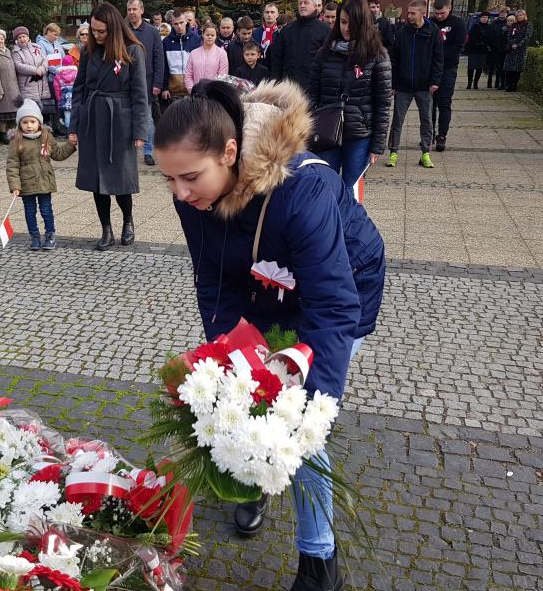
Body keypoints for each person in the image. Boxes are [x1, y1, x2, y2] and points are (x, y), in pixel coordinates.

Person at [154, 77, 385, 591]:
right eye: (169, 180)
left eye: (190, 177)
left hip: (341, 288)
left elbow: (332, 305)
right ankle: (250, 477)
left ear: (231, 152)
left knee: (295, 422)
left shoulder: (305, 189)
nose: (180, 193)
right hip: (262, 283)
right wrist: (226, 359)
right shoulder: (191, 192)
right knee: (241, 389)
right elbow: (214, 280)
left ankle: (318, 561)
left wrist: (305, 416)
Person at [68, 2, 148, 250]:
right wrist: (74, 127)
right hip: (92, 120)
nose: (96, 35)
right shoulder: (88, 52)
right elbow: (79, 90)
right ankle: (106, 229)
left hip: (120, 121)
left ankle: (128, 222)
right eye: (93, 31)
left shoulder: (133, 51)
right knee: (96, 179)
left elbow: (140, 95)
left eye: (101, 31)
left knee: (120, 179)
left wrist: (139, 132)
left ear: (113, 28)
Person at [307, 0, 391, 194]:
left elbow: (383, 103)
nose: (347, 28)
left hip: (359, 136)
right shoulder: (325, 53)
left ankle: (351, 225)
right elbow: (311, 96)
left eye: (352, 23)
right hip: (327, 133)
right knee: (326, 190)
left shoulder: (377, 55)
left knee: (351, 192)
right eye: (343, 22)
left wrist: (377, 145)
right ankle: (330, 226)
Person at [6, 98, 76, 250]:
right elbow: (12, 166)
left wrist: (70, 146)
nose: (29, 125)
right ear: (19, 124)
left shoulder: (46, 137)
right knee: (30, 212)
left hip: (44, 182)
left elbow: (57, 154)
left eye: (32, 121)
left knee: (46, 210)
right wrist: (15, 186)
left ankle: (50, 235)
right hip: (26, 184)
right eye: (25, 122)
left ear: (39, 122)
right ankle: (35, 236)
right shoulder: (16, 141)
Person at [385, 0, 443, 169]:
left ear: (422, 13)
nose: (408, 16)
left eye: (412, 13)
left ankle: (425, 153)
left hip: (424, 85)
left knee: (426, 120)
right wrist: (393, 83)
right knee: (397, 120)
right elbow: (394, 60)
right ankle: (393, 152)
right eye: (408, 12)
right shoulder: (402, 33)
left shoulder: (433, 32)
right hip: (403, 85)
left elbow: (438, 59)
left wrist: (435, 81)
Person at [127, 0, 164, 166]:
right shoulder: (122, 30)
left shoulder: (152, 32)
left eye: (134, 9)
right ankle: (128, 151)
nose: (132, 12)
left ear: (142, 10)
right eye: (129, 10)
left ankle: (148, 151)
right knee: (126, 117)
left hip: (147, 83)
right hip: (125, 83)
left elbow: (159, 58)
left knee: (147, 118)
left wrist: (157, 83)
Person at [267, 0, 330, 90]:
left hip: (314, 88)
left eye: (306, 2)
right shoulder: (287, 30)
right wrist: (275, 84)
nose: (302, 5)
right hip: (288, 88)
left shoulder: (325, 30)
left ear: (315, 5)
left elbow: (328, 62)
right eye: (300, 3)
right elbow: (276, 61)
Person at [430, 0, 465, 152]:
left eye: (442, 13)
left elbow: (458, 46)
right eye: (436, 13)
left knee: (443, 102)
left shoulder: (458, 23)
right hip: (430, 69)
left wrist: (440, 58)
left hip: (448, 68)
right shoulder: (430, 23)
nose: (439, 16)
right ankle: (429, 133)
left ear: (449, 8)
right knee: (429, 103)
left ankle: (442, 136)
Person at [11, 26, 57, 132]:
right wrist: (35, 70)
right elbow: (18, 66)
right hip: (27, 85)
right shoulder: (16, 52)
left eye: (24, 36)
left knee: (44, 108)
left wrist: (42, 68)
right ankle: (31, 131)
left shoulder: (37, 47)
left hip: (42, 83)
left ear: (28, 37)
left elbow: (45, 60)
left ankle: (45, 130)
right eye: (20, 37)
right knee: (31, 108)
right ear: (16, 40)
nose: (22, 39)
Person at [162, 10, 202, 102]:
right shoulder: (166, 42)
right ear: (171, 24)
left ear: (186, 21)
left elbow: (200, 65)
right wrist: (164, 88)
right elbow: (164, 66)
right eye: (176, 24)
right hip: (173, 91)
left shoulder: (196, 40)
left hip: (193, 90)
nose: (179, 26)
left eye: (181, 22)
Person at [185, 23, 229, 93]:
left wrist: (215, 92)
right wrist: (192, 90)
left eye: (212, 35)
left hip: (214, 95)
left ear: (216, 36)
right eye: (207, 35)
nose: (210, 37)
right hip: (196, 93)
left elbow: (223, 76)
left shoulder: (222, 53)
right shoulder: (193, 53)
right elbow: (188, 74)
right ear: (203, 35)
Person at [503, 10, 531, 93]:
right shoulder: (514, 25)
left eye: (521, 15)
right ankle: (508, 85)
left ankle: (514, 85)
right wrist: (512, 44)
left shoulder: (528, 25)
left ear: (524, 16)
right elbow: (509, 36)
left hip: (521, 50)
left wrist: (518, 44)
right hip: (511, 49)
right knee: (509, 69)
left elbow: (527, 37)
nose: (519, 17)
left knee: (517, 69)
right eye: (518, 15)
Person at [464, 12, 492, 89]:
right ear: (480, 18)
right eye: (483, 17)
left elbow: (490, 38)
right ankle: (469, 83)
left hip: (483, 50)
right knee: (471, 67)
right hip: (474, 50)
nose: (484, 19)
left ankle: (476, 83)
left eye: (486, 17)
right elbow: (471, 37)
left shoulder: (489, 27)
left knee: (479, 67)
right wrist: (477, 42)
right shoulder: (475, 27)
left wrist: (485, 42)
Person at [53, 54, 77, 129]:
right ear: (72, 63)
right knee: (75, 114)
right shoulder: (76, 73)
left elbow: (56, 87)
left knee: (67, 115)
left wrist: (58, 97)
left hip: (64, 98)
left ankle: (68, 132)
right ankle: (75, 131)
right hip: (75, 97)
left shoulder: (58, 75)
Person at [487, 8, 509, 89]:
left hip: (503, 48)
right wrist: (490, 43)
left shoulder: (508, 22)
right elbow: (490, 33)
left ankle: (498, 82)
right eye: (501, 12)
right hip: (493, 47)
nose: (503, 14)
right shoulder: (494, 22)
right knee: (491, 66)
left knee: (501, 66)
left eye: (505, 12)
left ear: (507, 14)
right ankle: (489, 81)